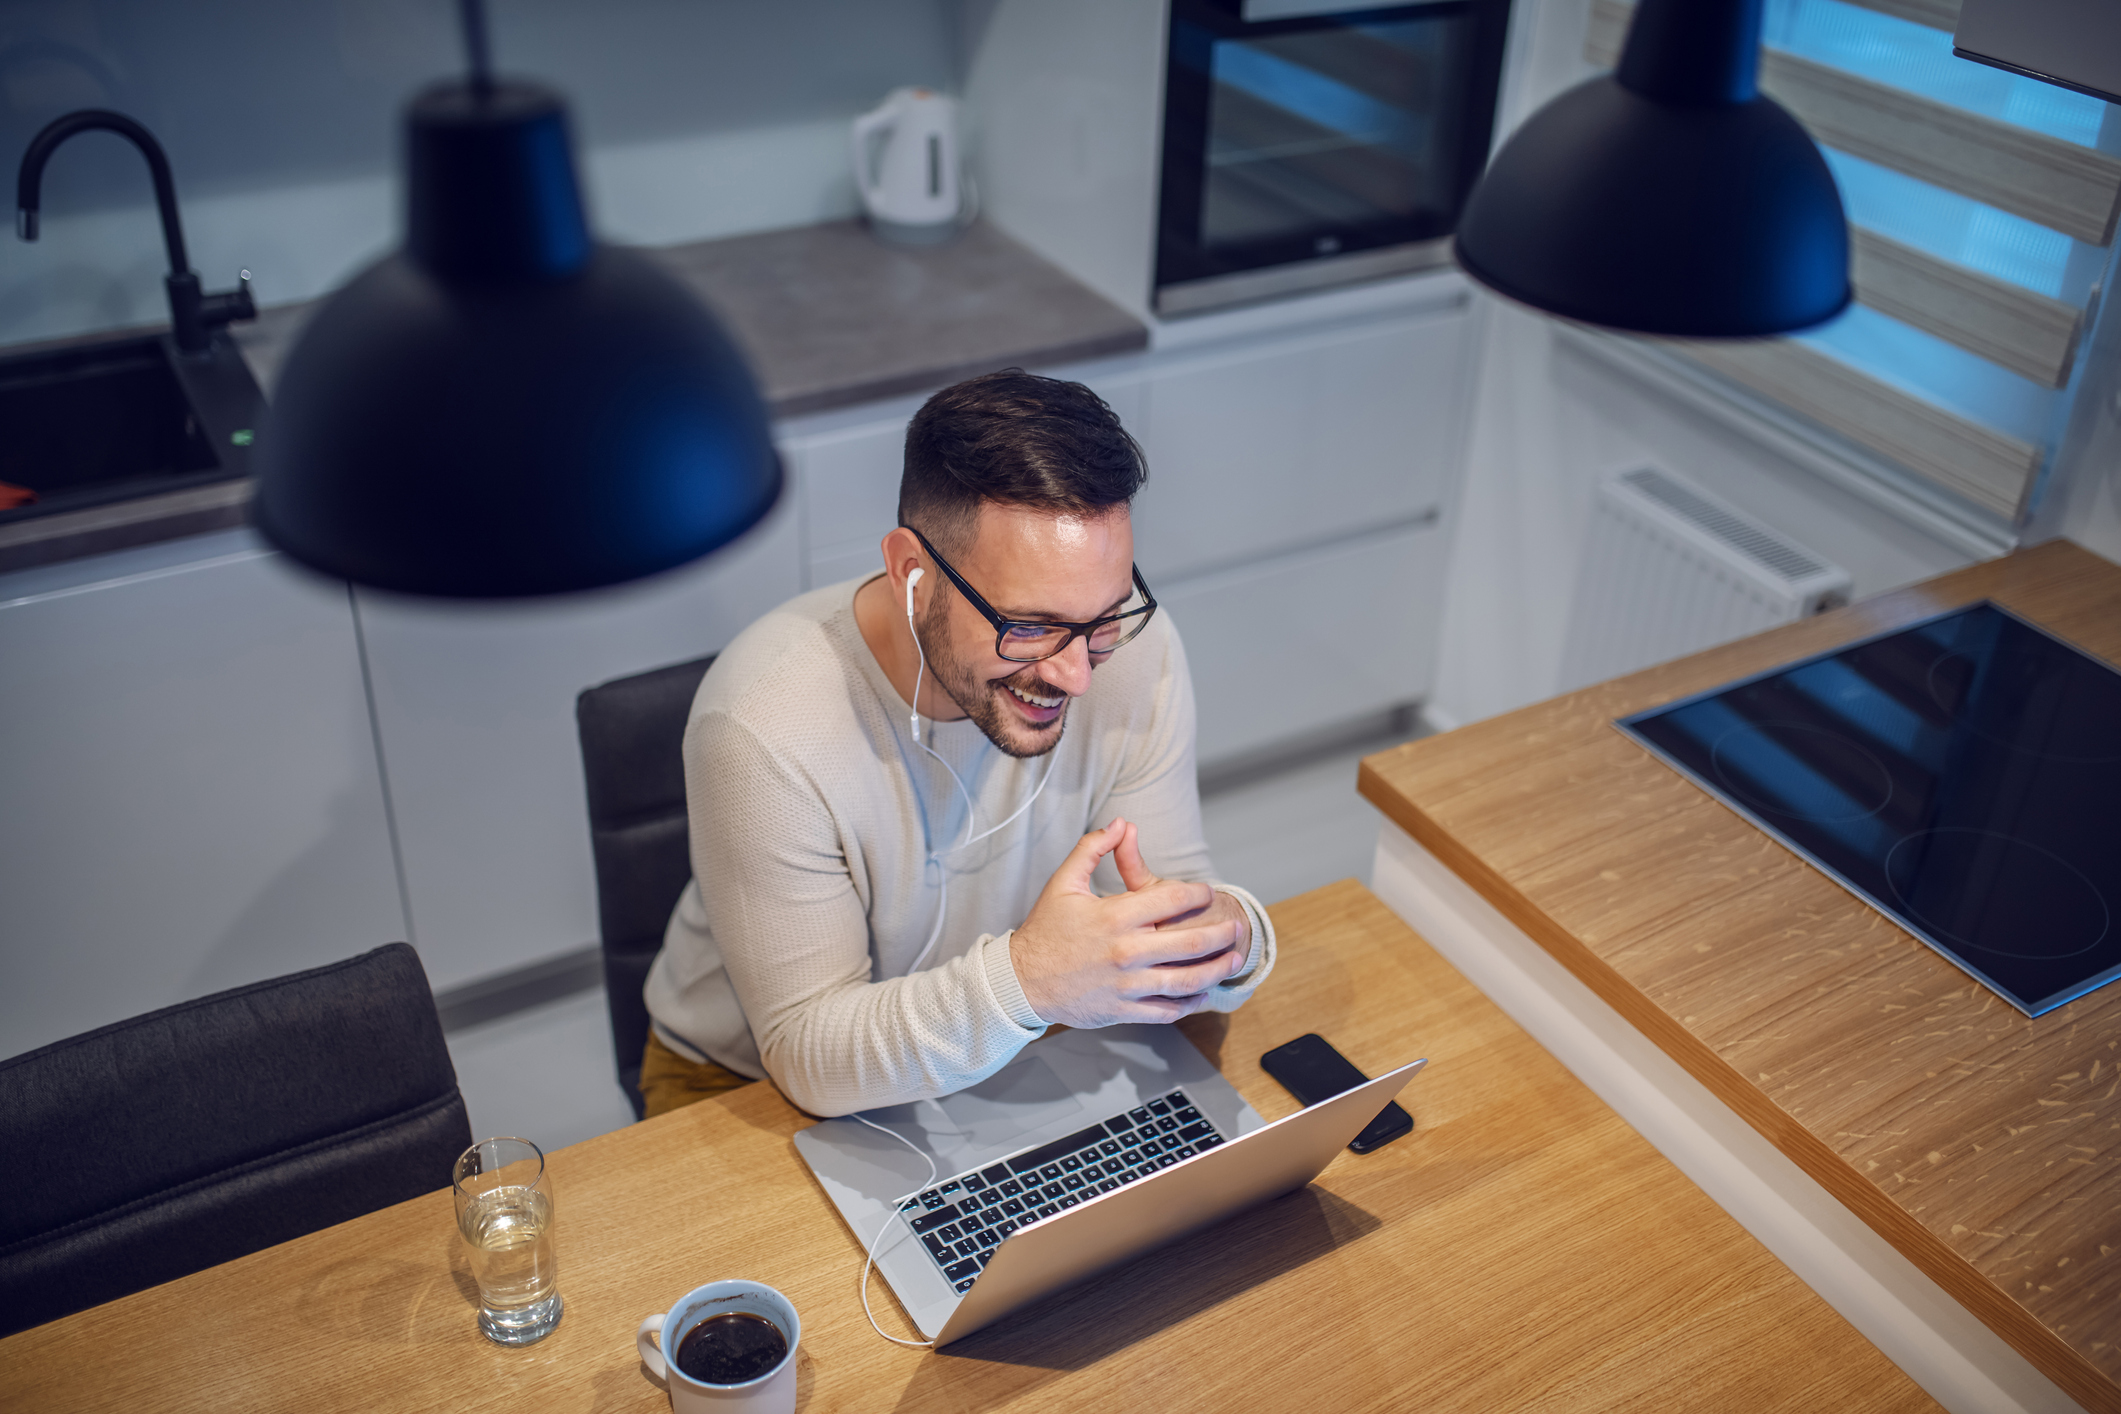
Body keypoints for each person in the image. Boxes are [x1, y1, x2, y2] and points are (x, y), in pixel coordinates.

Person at [640, 368, 1276, 1118]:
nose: (1076, 675)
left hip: (1018, 1032)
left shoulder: (1133, 653)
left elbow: (1169, 897)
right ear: (911, 571)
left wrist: (1229, 939)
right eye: (1029, 626)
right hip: (753, 1087)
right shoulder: (762, 726)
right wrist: (1031, 978)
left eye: (1104, 616)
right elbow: (807, 1055)